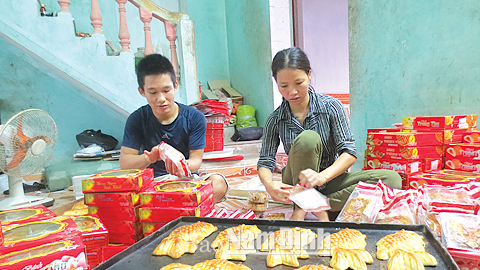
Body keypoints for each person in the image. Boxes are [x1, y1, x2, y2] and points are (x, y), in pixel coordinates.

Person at [257, 47, 402, 221]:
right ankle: (302, 204)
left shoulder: (332, 107)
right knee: (308, 138)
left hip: (330, 178)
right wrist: (269, 185)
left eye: (299, 83)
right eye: (284, 86)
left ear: (309, 74)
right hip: (296, 181)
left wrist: (321, 176)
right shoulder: (276, 119)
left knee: (391, 179)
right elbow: (266, 161)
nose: (292, 92)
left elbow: (349, 152)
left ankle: (318, 204)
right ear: (276, 82)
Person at [119, 54, 228, 203]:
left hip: (187, 180)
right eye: (153, 92)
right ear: (142, 91)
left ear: (175, 86)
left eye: (166, 90)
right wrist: (149, 157)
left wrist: (180, 163)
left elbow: (196, 161)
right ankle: (182, 206)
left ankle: (175, 206)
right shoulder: (137, 119)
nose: (161, 98)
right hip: (153, 184)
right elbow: (125, 163)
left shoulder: (195, 117)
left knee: (219, 184)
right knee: (125, 198)